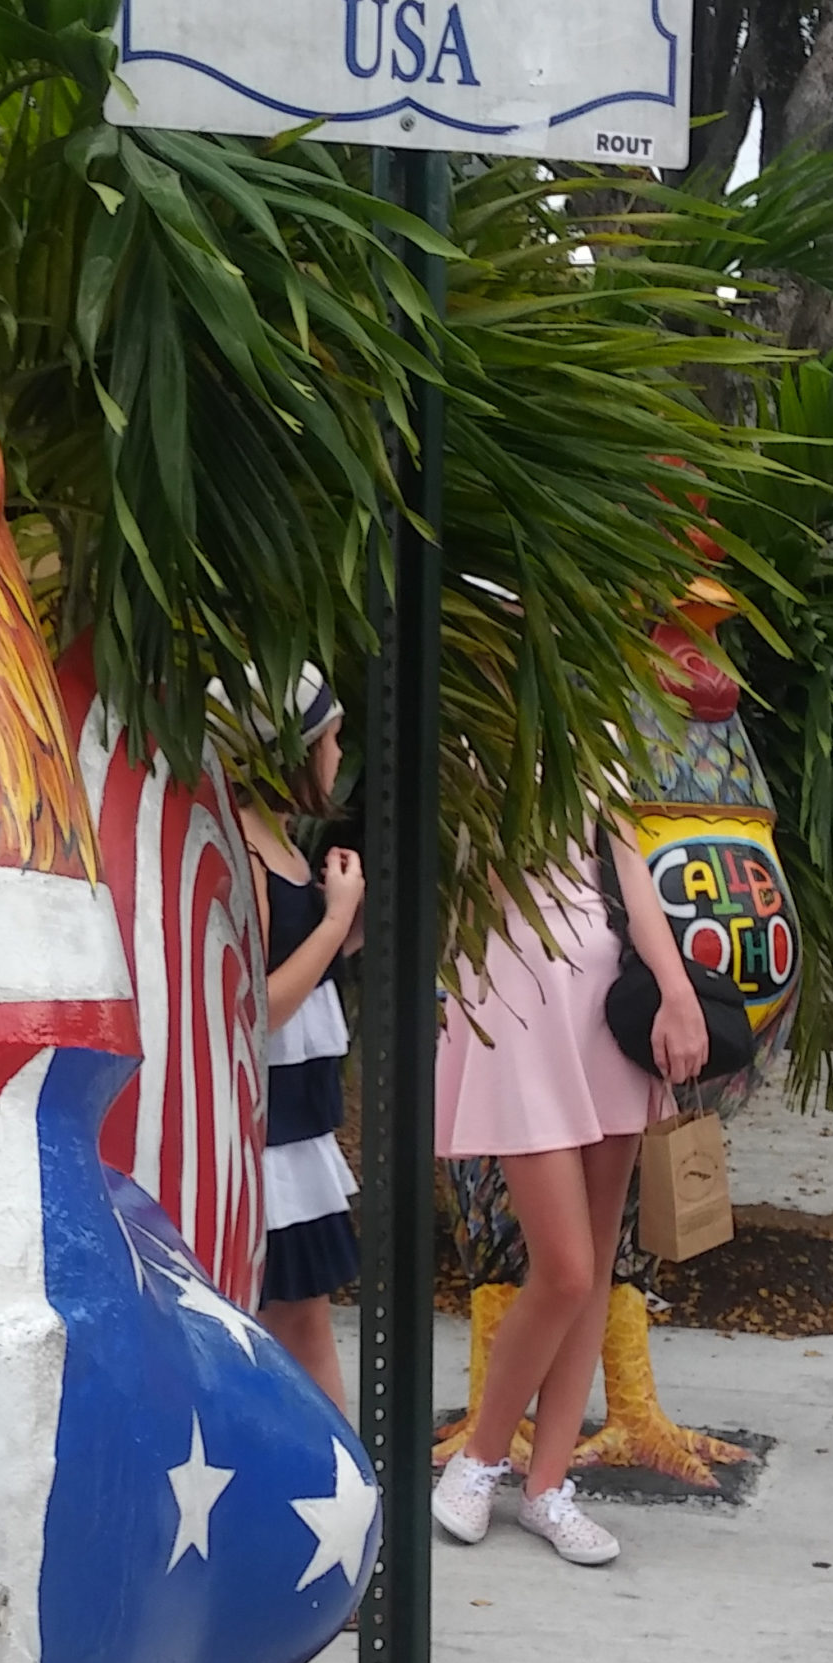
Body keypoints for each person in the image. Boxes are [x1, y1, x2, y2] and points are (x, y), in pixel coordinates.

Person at [428, 811, 709, 1565]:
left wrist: (677, 993)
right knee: (565, 1267)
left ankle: (548, 1484)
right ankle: (482, 1457)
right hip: (519, 994)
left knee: (594, 1264)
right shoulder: (475, 730)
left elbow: (631, 871)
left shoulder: (597, 730)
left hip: (603, 1004)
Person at [234, 668, 364, 1413]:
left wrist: (346, 924)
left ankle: (339, 1490)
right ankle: (341, 1493)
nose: (340, 755)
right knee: (295, 1318)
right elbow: (260, 1006)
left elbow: (302, 967)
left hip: (298, 1126)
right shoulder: (247, 852)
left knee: (302, 1317)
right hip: (269, 1134)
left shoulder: (279, 839)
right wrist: (335, 921)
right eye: (332, 739)